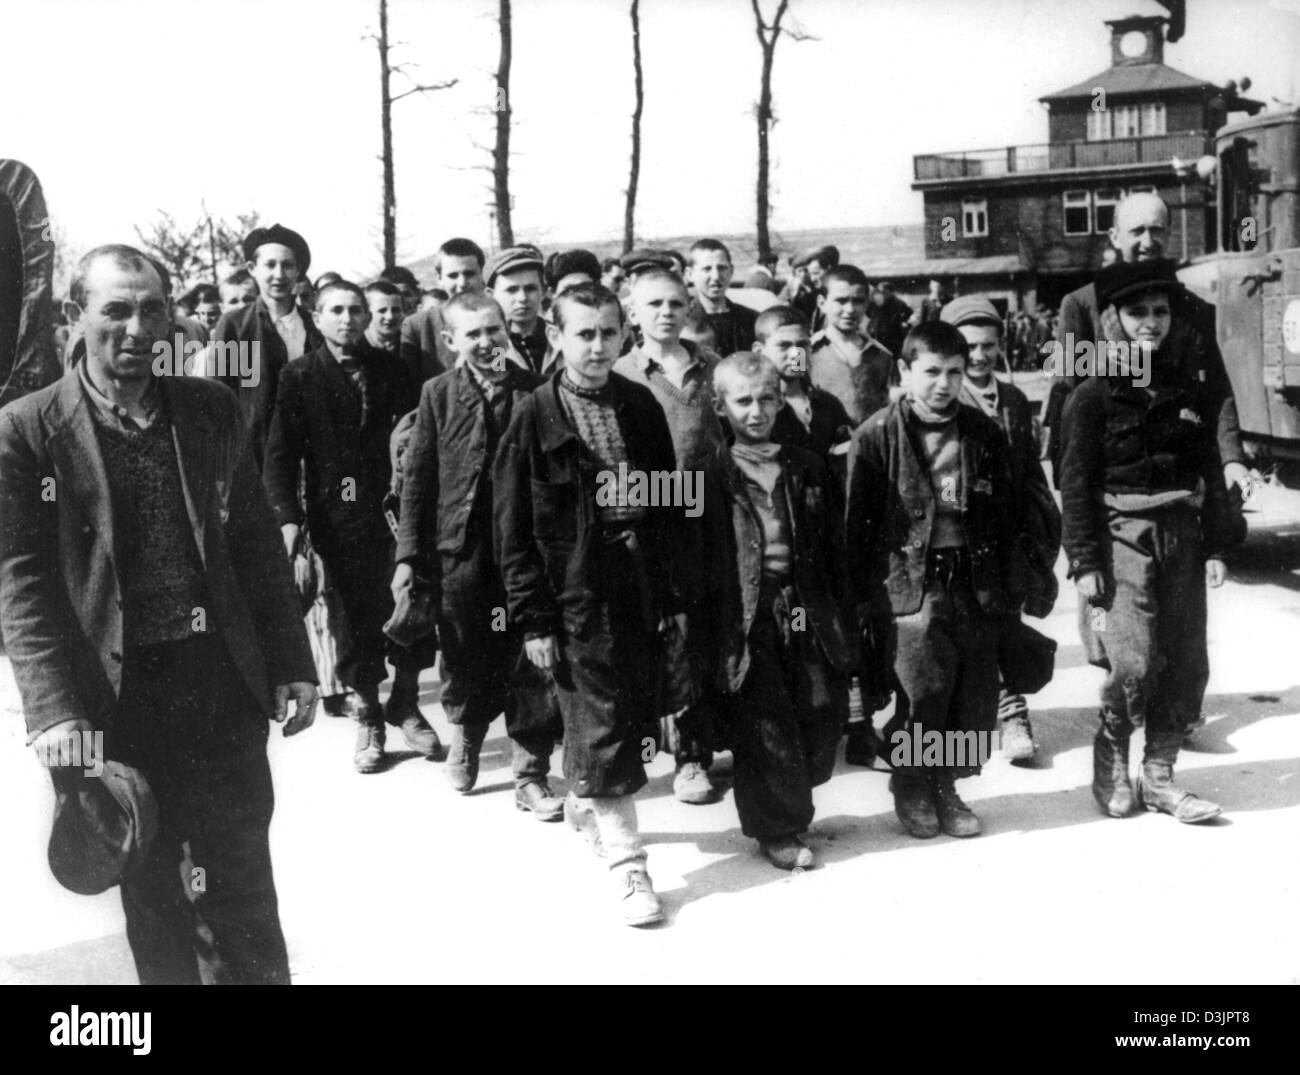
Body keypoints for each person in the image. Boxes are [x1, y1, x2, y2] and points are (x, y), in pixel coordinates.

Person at [0, 245, 317, 983]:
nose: (137, 327)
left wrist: (293, 663)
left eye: (152, 308)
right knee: (157, 893)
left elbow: (254, 544)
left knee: (239, 883)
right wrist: (52, 713)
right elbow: (21, 582)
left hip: (217, 687)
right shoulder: (26, 430)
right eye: (115, 308)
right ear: (74, 317)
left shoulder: (207, 408)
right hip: (118, 702)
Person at [494, 282, 684, 927]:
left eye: (608, 333)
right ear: (556, 337)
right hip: (572, 587)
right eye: (584, 333)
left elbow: (669, 503)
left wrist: (673, 592)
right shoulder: (532, 417)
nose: (598, 346)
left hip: (636, 580)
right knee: (597, 715)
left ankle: (587, 798)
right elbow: (512, 529)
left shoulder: (639, 405)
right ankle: (629, 865)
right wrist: (534, 618)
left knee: (630, 707)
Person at [1061, 259, 1236, 824]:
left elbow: (1207, 464)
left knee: (1185, 660)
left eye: (1160, 312)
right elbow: (1075, 484)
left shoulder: (1187, 385)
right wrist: (1085, 560)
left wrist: (1215, 544)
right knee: (1131, 662)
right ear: (1111, 319)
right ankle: (1112, 753)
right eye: (1137, 312)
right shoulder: (1092, 394)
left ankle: (1159, 775)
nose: (1151, 323)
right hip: (1121, 539)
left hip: (1181, 535)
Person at [847, 321, 1024, 839]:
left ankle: (948, 784)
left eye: (954, 371)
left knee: (970, 692)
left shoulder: (983, 431)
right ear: (904, 371)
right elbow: (858, 524)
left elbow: (1006, 509)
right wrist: (863, 600)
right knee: (922, 690)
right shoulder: (877, 435)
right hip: (911, 584)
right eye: (930, 372)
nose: (943, 383)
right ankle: (912, 783)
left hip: (973, 578)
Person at [394, 291, 563, 814]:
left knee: (529, 656)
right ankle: (465, 734)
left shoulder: (536, 392)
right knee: (464, 649)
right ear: (450, 342)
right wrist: (408, 557)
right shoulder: (437, 394)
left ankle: (530, 772)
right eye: (473, 334)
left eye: (494, 331)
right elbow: (418, 481)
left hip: (524, 553)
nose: (487, 342)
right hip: (461, 552)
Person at [263, 281, 439, 773]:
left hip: (397, 512)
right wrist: (288, 520)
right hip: (338, 521)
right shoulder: (299, 376)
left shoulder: (395, 371)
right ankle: (369, 715)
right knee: (353, 617)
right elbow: (281, 454)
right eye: (335, 310)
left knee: (413, 605)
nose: (347, 318)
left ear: (367, 317)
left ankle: (406, 700)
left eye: (355, 309)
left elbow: (417, 442)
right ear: (317, 318)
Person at [700, 352, 855, 869]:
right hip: (749, 609)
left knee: (818, 708)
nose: (757, 411)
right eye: (742, 401)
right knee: (765, 720)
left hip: (802, 605)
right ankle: (777, 828)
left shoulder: (805, 464)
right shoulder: (709, 474)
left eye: (767, 397)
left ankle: (792, 802)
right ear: (721, 407)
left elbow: (833, 545)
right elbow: (696, 556)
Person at [1044, 192, 1250, 499]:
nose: (1148, 240)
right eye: (1137, 231)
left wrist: (1233, 460)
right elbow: (1065, 389)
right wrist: (1068, 483)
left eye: (1156, 230)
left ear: (1169, 234)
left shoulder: (1194, 308)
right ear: (1114, 237)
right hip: (1114, 472)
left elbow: (1216, 390)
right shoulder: (1081, 305)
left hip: (1182, 465)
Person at [613, 267, 724, 805]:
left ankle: (707, 744)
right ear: (631, 312)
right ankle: (684, 756)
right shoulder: (620, 374)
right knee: (669, 640)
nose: (666, 312)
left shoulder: (713, 369)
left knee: (708, 633)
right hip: (651, 529)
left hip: (714, 527)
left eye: (676, 303)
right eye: (653, 303)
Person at [941, 296, 1062, 762]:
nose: (978, 356)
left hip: (1009, 535)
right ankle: (965, 724)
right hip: (964, 534)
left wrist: (1044, 526)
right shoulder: (946, 398)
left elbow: (1030, 469)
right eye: (968, 346)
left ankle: (1013, 715)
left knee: (1007, 621)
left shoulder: (1012, 399)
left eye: (988, 345)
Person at [209, 223, 322, 471]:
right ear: (253, 269)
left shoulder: (315, 326)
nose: (279, 275)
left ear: (299, 272)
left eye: (288, 265)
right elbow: (219, 393)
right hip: (254, 454)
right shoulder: (235, 326)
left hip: (310, 452)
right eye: (270, 265)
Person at [808, 265, 895, 426]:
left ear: (867, 304)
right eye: (840, 301)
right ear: (822, 303)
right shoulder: (803, 351)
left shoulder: (882, 355)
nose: (849, 309)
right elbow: (792, 394)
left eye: (857, 301)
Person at [400, 237, 486, 385]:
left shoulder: (495, 320)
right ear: (439, 278)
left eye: (469, 274)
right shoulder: (418, 327)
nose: (462, 283)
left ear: (481, 275)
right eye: (453, 275)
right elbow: (409, 388)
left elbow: (500, 372)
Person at [489, 246, 557, 375]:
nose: (523, 298)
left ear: (543, 291)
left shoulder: (561, 338)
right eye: (512, 290)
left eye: (530, 288)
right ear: (491, 295)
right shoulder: (492, 346)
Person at [685, 238, 757, 356]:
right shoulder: (682, 322)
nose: (716, 276)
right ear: (689, 274)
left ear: (731, 270)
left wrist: (798, 367)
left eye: (722, 268)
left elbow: (796, 350)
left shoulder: (752, 319)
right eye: (707, 269)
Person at [363, 279, 404, 356]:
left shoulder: (409, 346)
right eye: (382, 310)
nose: (390, 317)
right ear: (367, 313)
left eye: (395, 310)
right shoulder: (356, 347)